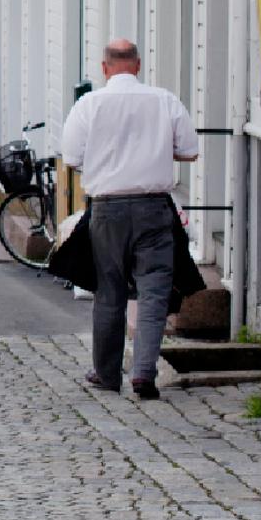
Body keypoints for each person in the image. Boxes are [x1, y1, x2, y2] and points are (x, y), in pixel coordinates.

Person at [61, 39, 200, 400]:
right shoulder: (164, 100)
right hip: (154, 207)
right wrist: (152, 150)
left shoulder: (89, 104)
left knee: (109, 292)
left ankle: (107, 375)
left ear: (105, 68)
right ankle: (143, 374)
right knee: (154, 292)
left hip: (107, 208)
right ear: (138, 65)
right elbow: (190, 150)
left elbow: (73, 157)